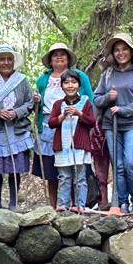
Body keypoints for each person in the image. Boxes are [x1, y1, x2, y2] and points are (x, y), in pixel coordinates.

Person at [93, 33, 133, 213]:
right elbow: (96, 99)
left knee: (130, 162)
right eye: (117, 50)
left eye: (124, 49)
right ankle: (121, 202)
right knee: (117, 164)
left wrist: (124, 110)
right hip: (111, 125)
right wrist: (107, 98)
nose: (120, 53)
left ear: (131, 51)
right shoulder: (108, 74)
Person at [33, 43, 94, 208]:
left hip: (77, 126)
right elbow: (37, 105)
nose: (59, 57)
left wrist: (87, 120)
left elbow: (90, 100)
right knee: (54, 170)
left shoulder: (79, 76)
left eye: (63, 54)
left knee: (77, 168)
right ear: (50, 60)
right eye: (55, 55)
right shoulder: (43, 79)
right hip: (50, 126)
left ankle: (78, 204)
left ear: (68, 58)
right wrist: (35, 102)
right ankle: (57, 205)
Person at [0, 45, 34, 210]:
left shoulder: (22, 80)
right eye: (2, 59)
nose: (6, 62)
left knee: (15, 168)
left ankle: (13, 203)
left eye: (9, 59)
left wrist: (16, 113)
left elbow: (30, 101)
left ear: (14, 61)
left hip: (16, 129)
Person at [48, 71, 97, 212]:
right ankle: (63, 205)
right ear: (62, 86)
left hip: (80, 146)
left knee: (80, 177)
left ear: (79, 85)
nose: (70, 86)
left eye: (74, 82)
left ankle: (80, 205)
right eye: (67, 83)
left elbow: (92, 122)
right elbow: (51, 123)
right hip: (62, 146)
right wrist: (63, 116)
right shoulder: (58, 104)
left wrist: (79, 114)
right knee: (64, 176)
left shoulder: (85, 102)